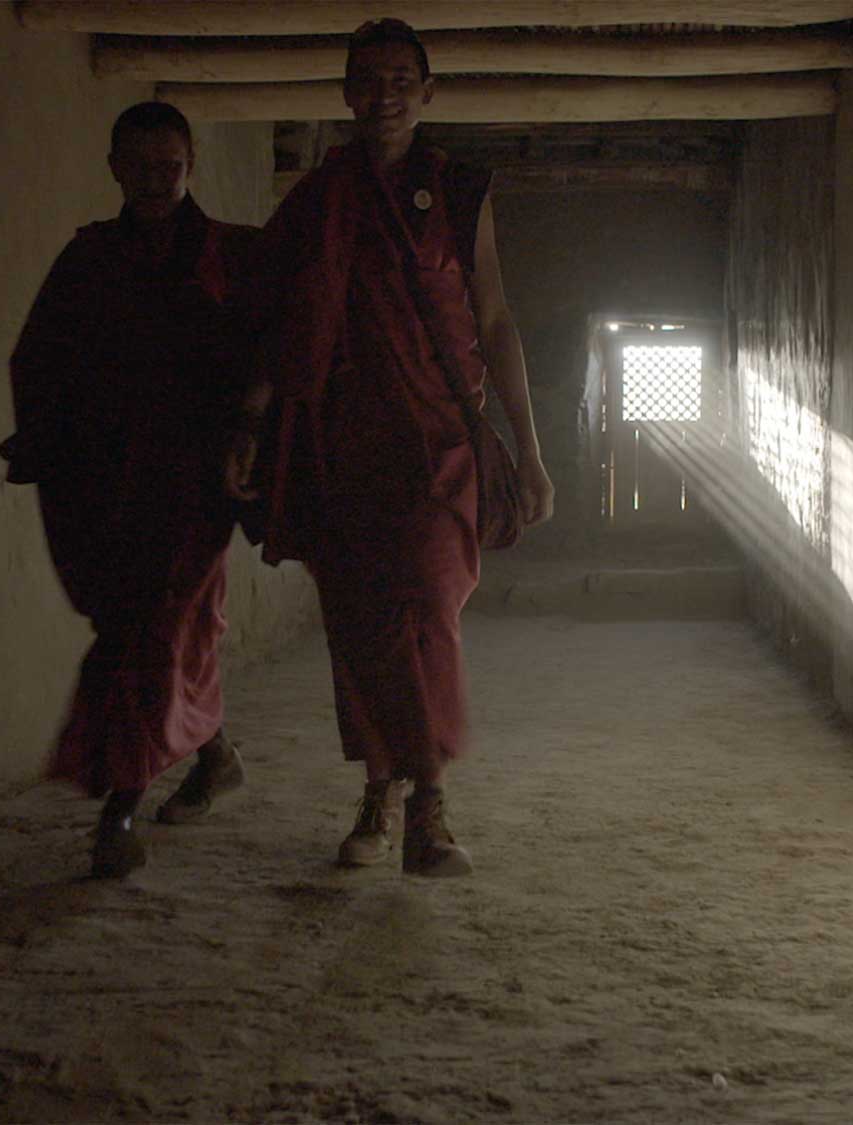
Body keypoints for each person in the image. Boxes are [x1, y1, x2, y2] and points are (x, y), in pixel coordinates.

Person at [242, 17, 555, 877]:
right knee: (358, 620)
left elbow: (493, 318)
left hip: (440, 441)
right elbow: (283, 326)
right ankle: (384, 792)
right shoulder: (316, 202)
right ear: (346, 93)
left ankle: (430, 799)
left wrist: (530, 449)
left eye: (399, 79)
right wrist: (248, 424)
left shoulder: (459, 192)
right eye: (367, 79)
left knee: (424, 602)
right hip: (342, 443)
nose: (383, 94)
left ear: (427, 93)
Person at [2, 101, 264, 878]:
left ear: (191, 168)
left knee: (150, 637)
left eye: (170, 166)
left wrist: (248, 437)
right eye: (140, 166)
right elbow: (36, 360)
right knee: (140, 632)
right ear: (114, 167)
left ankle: (119, 808)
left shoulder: (225, 257)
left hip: (193, 488)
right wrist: (59, 446)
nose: (155, 180)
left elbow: (270, 350)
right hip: (104, 486)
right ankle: (213, 754)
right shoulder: (87, 260)